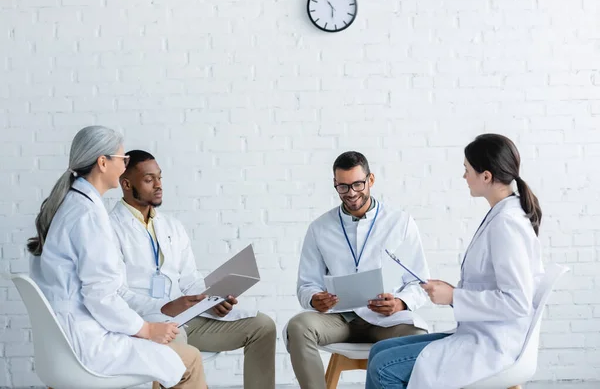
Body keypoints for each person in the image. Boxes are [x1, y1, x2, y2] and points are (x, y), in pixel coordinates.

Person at [28, 126, 206, 389]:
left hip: (67, 340)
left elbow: (99, 292)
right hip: (86, 346)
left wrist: (151, 319)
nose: (125, 165)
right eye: (122, 159)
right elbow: (100, 295)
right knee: (189, 360)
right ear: (103, 162)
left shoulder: (73, 205)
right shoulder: (89, 215)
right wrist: (147, 330)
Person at [365, 133, 545, 389]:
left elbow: (517, 302)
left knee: (384, 367)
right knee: (379, 352)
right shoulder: (502, 215)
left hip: (494, 347)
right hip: (480, 334)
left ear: (486, 176)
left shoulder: (507, 224)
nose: (464, 176)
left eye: (467, 169)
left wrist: (453, 297)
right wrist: (451, 292)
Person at [109, 150, 276, 389]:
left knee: (262, 326)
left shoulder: (172, 226)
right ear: (126, 184)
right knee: (176, 342)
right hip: (146, 323)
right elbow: (115, 294)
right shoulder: (108, 229)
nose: (158, 185)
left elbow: (189, 280)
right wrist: (164, 307)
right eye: (149, 179)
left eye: (160, 178)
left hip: (187, 318)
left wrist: (212, 299)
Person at [286, 151, 430, 389]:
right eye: (343, 187)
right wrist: (314, 299)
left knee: (418, 336)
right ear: (335, 184)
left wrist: (400, 303)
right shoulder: (319, 228)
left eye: (357, 184)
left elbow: (420, 282)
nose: (351, 193)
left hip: (386, 319)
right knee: (298, 327)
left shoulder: (400, 222)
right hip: (339, 319)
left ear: (370, 180)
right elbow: (306, 284)